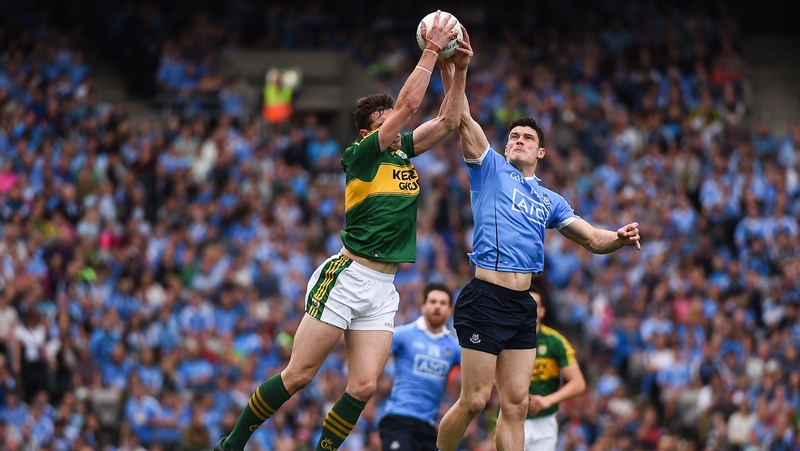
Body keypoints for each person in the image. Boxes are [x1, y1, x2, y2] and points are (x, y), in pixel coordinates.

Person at [215, 12, 474, 451]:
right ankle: (232, 444)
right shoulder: (361, 156)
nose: (395, 122)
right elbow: (412, 106)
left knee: (364, 386)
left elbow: (448, 121)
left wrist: (458, 71)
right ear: (367, 131)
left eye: (392, 117)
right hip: (347, 276)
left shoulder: (401, 153)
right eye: (384, 120)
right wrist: (431, 50)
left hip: (383, 285)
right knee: (299, 375)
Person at [434, 29, 641, 451]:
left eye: (527, 138)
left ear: (541, 152)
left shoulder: (550, 199)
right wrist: (458, 70)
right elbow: (459, 118)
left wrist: (618, 238)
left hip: (522, 305)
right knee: (474, 400)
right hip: (485, 297)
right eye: (513, 136)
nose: (518, 141)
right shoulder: (489, 168)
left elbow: (593, 240)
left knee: (515, 405)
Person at [378, 283, 461, 451]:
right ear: (423, 306)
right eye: (433, 301)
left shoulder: (453, 347)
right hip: (398, 420)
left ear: (450, 310)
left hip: (428, 427)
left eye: (443, 303)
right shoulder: (404, 335)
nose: (437, 306)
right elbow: (375, 351)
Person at [522, 283, 586, 451]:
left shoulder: (555, 341)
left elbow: (578, 383)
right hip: (511, 417)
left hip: (545, 421)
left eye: (534, 304)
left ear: (542, 311)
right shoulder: (504, 339)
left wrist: (547, 400)